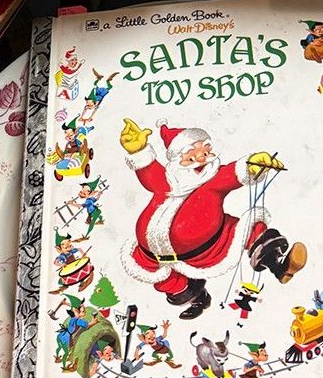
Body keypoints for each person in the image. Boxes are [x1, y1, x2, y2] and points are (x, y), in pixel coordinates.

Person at [119, 121, 307, 320]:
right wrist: (138, 150)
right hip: (151, 254)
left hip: (208, 247)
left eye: (206, 152)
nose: (201, 159)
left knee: (248, 231)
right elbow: (149, 172)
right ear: (176, 161)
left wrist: (251, 165)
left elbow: (231, 174)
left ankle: (278, 265)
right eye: (191, 157)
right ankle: (198, 299)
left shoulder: (212, 181)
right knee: (169, 282)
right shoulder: (166, 181)